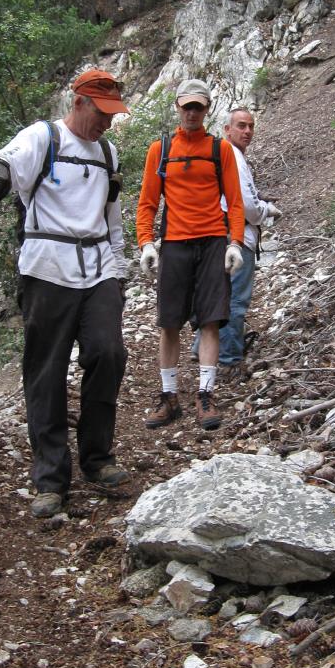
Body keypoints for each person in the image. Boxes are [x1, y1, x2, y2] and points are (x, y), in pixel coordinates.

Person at [0, 69, 130, 519]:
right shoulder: (42, 138)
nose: (107, 122)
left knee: (109, 353)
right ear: (79, 102)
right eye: (102, 113)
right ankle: (50, 478)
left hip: (99, 267)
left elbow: (112, 216)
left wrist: (118, 270)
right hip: (47, 270)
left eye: (112, 114)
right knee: (46, 372)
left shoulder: (107, 151)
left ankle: (97, 458)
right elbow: (3, 161)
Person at [136, 78, 245, 431]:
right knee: (169, 322)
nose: (192, 113)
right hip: (174, 243)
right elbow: (148, 202)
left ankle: (205, 395)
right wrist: (146, 243)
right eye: (187, 106)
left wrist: (235, 243)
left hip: (213, 241)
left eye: (199, 106)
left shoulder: (220, 149)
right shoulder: (161, 149)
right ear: (178, 107)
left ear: (207, 109)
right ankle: (169, 398)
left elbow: (236, 201)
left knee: (210, 319)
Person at [216, 107, 281, 380]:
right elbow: (247, 206)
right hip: (237, 236)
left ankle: (203, 347)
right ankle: (229, 359)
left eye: (251, 126)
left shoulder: (225, 155)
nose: (247, 131)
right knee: (235, 301)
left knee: (218, 296)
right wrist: (267, 210)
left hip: (220, 235)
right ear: (227, 129)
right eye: (241, 126)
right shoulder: (233, 156)